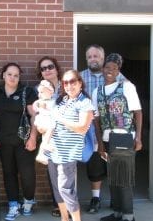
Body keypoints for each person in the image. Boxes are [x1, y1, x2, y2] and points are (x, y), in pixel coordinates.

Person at [92, 53, 142, 221]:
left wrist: (139, 138)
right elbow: (96, 120)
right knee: (113, 178)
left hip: (125, 137)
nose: (110, 70)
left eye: (114, 68)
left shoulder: (127, 87)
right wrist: (100, 143)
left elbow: (138, 112)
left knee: (124, 178)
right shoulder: (96, 91)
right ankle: (118, 213)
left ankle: (128, 215)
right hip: (107, 139)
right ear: (102, 69)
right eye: (107, 67)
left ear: (118, 70)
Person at [0, 62, 38, 221]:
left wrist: (33, 136)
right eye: (9, 74)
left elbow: (34, 115)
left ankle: (28, 201)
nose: (12, 77)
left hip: (24, 140)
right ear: (3, 75)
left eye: (16, 75)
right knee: (9, 173)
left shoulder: (27, 91)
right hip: (3, 141)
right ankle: (13, 205)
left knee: (27, 174)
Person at [80, 44, 126, 213]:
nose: (93, 59)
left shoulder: (115, 74)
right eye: (90, 56)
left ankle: (116, 199)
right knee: (95, 166)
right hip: (92, 130)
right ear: (87, 59)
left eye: (96, 56)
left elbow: (128, 92)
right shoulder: (81, 77)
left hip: (114, 129)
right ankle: (96, 198)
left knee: (114, 165)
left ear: (103, 58)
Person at [48, 69, 94, 221]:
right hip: (53, 150)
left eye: (72, 81)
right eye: (65, 82)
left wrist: (59, 118)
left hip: (68, 153)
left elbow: (82, 127)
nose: (69, 85)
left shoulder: (85, 102)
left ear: (80, 83)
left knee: (66, 189)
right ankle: (64, 218)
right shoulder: (62, 100)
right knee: (57, 189)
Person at [36, 56, 63, 217]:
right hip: (49, 136)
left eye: (50, 66)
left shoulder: (66, 85)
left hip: (67, 136)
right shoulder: (38, 89)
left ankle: (69, 204)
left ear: (56, 68)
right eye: (43, 68)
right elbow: (35, 110)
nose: (47, 70)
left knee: (67, 173)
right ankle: (58, 204)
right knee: (53, 173)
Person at [33, 80, 55, 165]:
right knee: (51, 129)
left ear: (50, 92)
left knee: (46, 137)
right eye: (39, 92)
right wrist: (40, 105)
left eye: (42, 92)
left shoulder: (52, 101)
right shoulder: (41, 102)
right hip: (43, 121)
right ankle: (43, 150)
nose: (39, 94)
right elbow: (35, 108)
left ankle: (42, 154)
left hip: (47, 121)